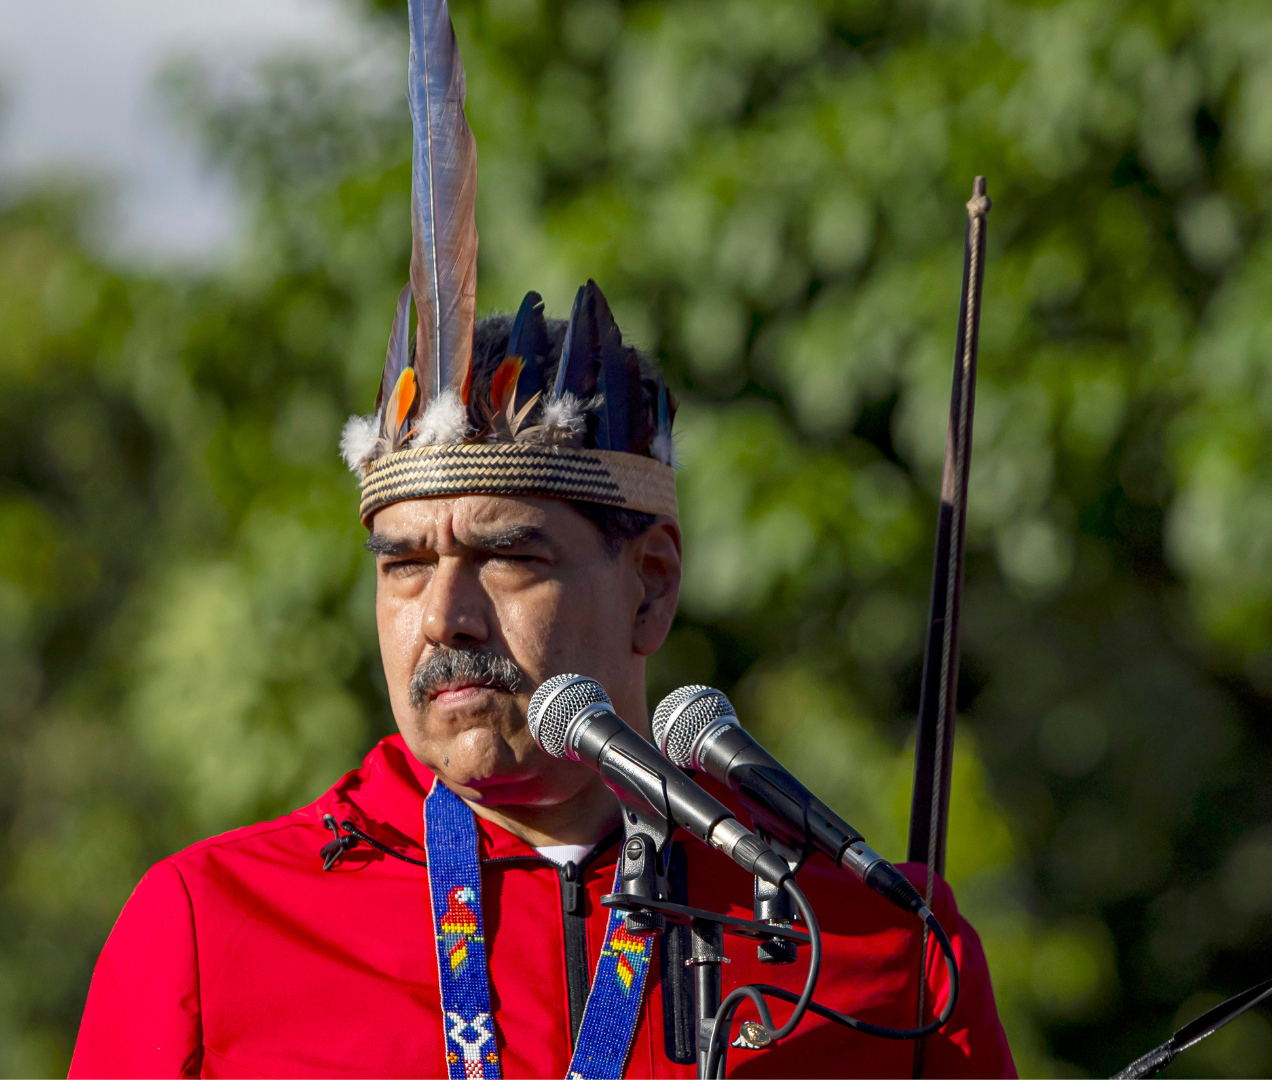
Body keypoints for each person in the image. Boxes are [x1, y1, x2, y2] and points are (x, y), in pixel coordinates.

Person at [68, 1, 1014, 1076]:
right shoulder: (213, 921)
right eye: (405, 564)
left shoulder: (865, 944)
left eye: (509, 555)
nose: (442, 617)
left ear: (651, 585)